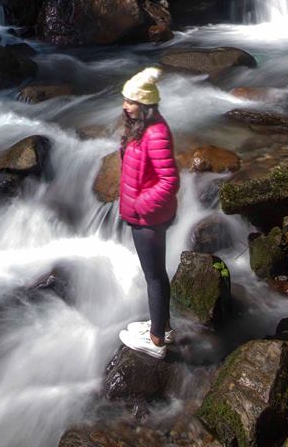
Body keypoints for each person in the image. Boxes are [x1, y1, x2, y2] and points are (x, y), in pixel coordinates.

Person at [117, 66, 179, 360]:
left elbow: (170, 180)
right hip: (146, 215)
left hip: (149, 218)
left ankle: (156, 342)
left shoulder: (156, 133)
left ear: (144, 104)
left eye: (130, 101)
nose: (124, 105)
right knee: (155, 274)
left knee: (154, 277)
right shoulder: (142, 126)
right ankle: (162, 326)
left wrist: (140, 205)